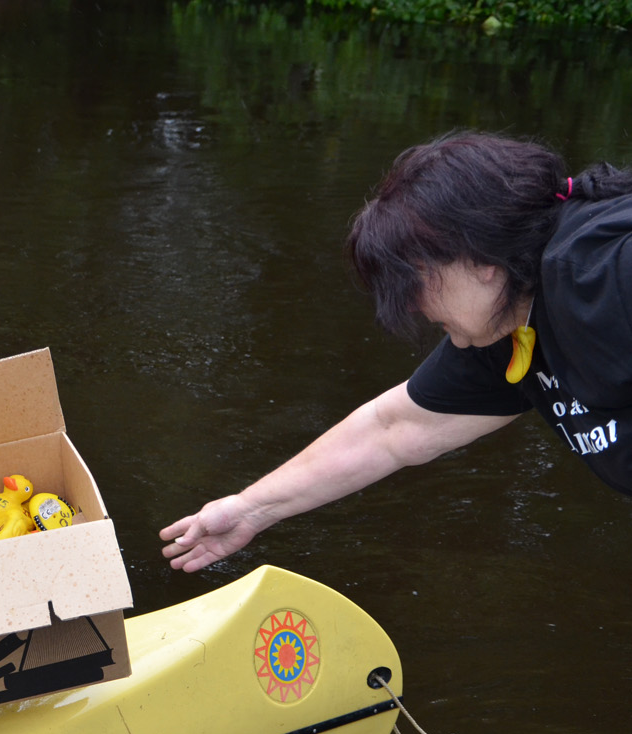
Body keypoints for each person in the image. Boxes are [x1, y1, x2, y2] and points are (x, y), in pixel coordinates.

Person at [162, 131, 632, 573]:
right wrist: (249, 510)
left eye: (415, 279)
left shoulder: (599, 272)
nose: (413, 305)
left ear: (479, 259)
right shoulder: (506, 324)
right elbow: (392, 429)